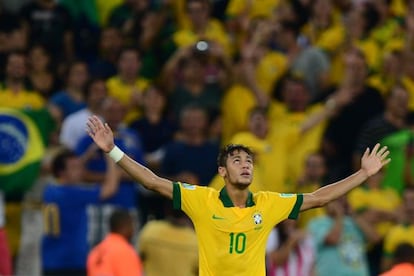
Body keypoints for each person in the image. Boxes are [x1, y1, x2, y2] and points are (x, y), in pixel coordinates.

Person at [86, 115, 390, 276]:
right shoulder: (202, 200)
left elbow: (319, 198)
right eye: (237, 161)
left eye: (249, 162)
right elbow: (153, 181)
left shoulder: (269, 203)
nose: (245, 166)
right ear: (222, 171)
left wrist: (363, 174)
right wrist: (112, 150)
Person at [41, 149, 120, 276]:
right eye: (74, 168)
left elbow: (68, 167)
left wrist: (88, 154)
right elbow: (110, 189)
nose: (80, 171)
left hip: (50, 260)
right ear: (62, 172)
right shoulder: (73, 194)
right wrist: (110, 157)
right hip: (71, 262)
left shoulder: (49, 190)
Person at [87, 209, 143, 276]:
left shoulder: (95, 252)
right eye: (131, 225)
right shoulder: (125, 251)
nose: (133, 229)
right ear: (125, 226)